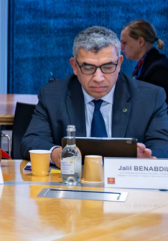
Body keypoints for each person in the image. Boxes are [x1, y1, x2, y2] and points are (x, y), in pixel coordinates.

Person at [21, 26, 168, 164]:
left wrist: (149, 158)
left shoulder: (151, 98)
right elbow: (32, 141)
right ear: (74, 66)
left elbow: (162, 145)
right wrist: (55, 153)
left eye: (108, 67)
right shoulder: (53, 96)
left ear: (119, 64)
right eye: (88, 67)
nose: (98, 78)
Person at [121, 19, 168, 105]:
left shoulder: (158, 70)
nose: (121, 47)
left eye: (124, 43)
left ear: (141, 42)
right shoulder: (149, 65)